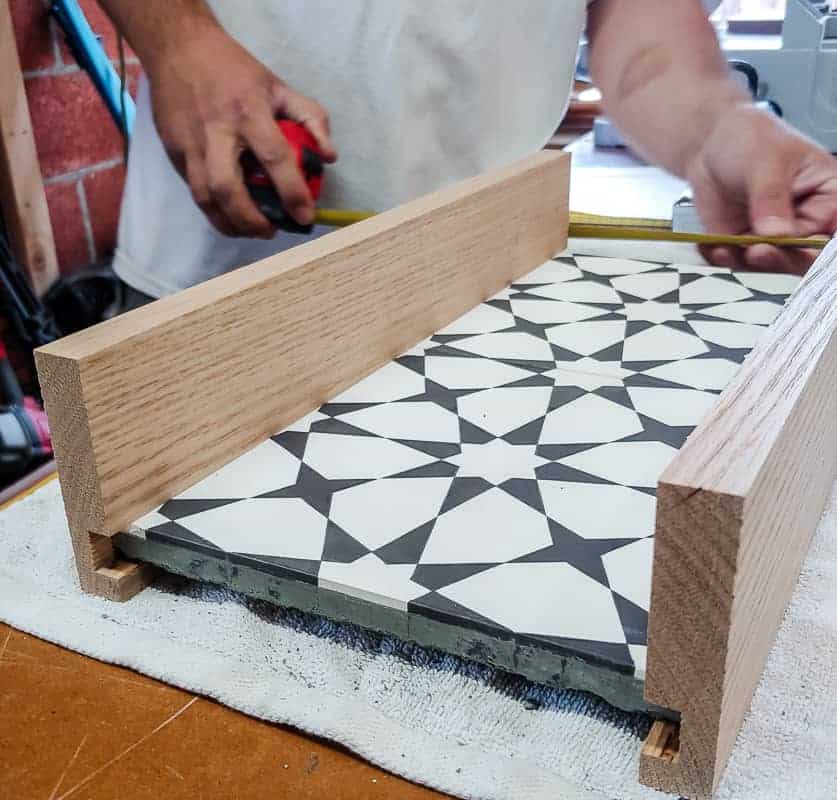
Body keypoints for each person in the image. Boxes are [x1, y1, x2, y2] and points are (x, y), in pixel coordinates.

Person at [99, 0, 837, 303]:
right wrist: (178, 37)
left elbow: (638, 25)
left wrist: (716, 125)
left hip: (480, 283)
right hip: (211, 275)